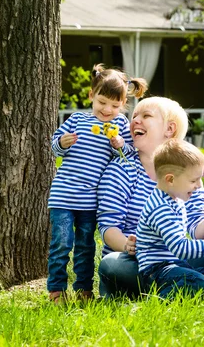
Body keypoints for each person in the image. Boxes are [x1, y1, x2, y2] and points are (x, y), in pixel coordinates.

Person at [97, 97, 204, 298]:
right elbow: (108, 227)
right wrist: (127, 245)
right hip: (135, 260)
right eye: (134, 115)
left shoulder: (188, 175)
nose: (135, 120)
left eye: (145, 115)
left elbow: (198, 231)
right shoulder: (122, 169)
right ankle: (172, 288)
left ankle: (186, 285)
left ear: (169, 129)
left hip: (176, 258)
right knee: (111, 263)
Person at [46, 64, 147, 303]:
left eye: (115, 105)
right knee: (61, 243)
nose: (107, 109)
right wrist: (63, 142)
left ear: (123, 104)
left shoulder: (121, 125)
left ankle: (83, 289)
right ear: (92, 96)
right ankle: (56, 290)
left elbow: (127, 156)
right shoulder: (77, 119)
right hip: (63, 197)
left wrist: (120, 146)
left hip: (90, 201)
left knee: (85, 245)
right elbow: (53, 145)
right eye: (102, 102)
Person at [136, 139, 204, 297]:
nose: (198, 186)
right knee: (199, 283)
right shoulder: (161, 208)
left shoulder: (174, 198)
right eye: (193, 181)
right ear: (170, 179)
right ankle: (159, 298)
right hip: (157, 272)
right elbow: (183, 249)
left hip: (176, 266)